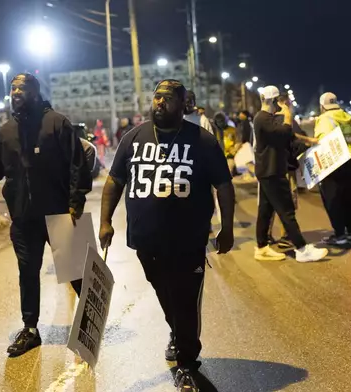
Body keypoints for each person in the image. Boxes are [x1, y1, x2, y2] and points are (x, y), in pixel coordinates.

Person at [98, 79, 235, 392]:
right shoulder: (134, 137)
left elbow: (223, 185)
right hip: (147, 240)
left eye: (168, 98)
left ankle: (187, 363)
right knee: (165, 294)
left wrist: (226, 227)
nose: (160, 102)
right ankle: (177, 331)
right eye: (156, 97)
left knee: (185, 300)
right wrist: (105, 221)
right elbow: (115, 181)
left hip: (189, 240)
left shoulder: (201, 140)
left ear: (183, 103)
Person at [0, 73, 92, 357]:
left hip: (61, 213)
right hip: (24, 218)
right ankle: (30, 329)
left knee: (75, 270)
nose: (16, 91)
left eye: (22, 88)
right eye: (13, 87)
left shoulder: (56, 123)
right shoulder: (7, 131)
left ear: (35, 92)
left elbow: (79, 164)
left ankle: (90, 322)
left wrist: (76, 202)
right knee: (27, 274)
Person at [253, 86, 329, 263]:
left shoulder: (265, 119)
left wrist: (308, 140)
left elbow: (289, 136)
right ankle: (302, 249)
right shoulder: (263, 118)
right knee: (287, 211)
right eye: (279, 101)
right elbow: (284, 133)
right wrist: (287, 113)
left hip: (269, 171)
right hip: (272, 172)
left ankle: (262, 247)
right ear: (274, 101)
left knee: (265, 210)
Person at [314, 92, 351, 245]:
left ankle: (339, 234)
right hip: (349, 161)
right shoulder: (347, 117)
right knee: (349, 197)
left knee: (333, 199)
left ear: (322, 106)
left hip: (333, 164)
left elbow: (322, 142)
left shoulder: (324, 119)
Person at [268, 96, 309, 250]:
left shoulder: (269, 121)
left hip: (271, 168)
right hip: (286, 168)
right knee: (289, 203)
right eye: (289, 104)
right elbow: (295, 142)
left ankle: (267, 235)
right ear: (284, 104)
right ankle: (287, 235)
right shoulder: (287, 121)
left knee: (272, 202)